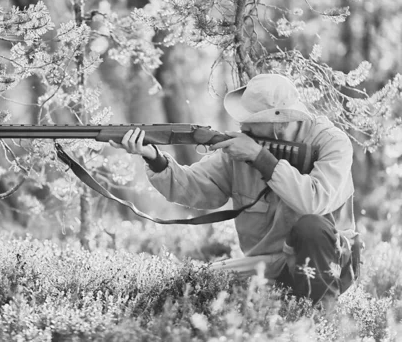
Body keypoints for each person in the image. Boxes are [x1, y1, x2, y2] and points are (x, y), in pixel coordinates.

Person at [109, 73, 358, 307]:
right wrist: (154, 158)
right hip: (268, 264)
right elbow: (195, 187)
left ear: (278, 124)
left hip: (332, 262)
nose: (242, 125)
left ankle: (323, 320)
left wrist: (261, 158)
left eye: (251, 120)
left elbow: (314, 201)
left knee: (311, 227)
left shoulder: (331, 143)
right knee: (195, 284)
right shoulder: (242, 148)